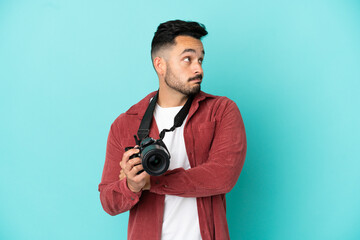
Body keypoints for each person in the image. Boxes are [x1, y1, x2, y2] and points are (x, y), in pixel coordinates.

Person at [98, 19, 247, 240]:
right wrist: (131, 185)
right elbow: (109, 202)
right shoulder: (125, 123)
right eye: (187, 59)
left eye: (200, 60)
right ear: (160, 65)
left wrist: (152, 181)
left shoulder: (221, 111)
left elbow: (223, 176)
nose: (198, 68)